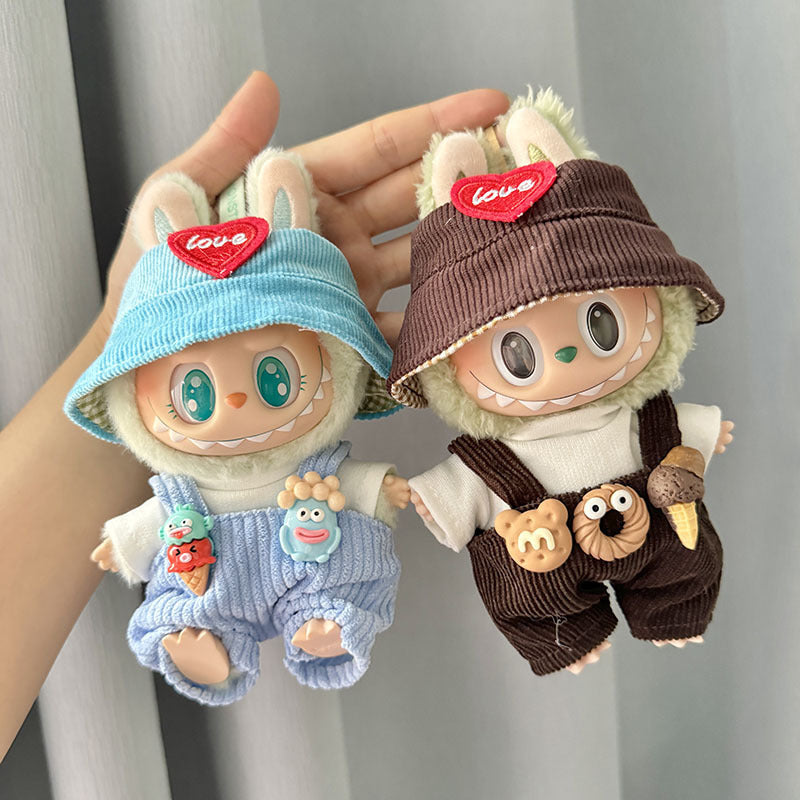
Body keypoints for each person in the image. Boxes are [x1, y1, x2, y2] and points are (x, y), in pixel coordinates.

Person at [0, 70, 508, 757]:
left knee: (335, 579)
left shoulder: (316, 468)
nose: (236, 403)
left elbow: (354, 483)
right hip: (213, 574)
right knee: (188, 603)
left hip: (310, 558)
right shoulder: (181, 494)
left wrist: (379, 487)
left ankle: (323, 627)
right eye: (195, 394)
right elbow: (151, 522)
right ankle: (204, 643)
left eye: (273, 377)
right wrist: (122, 542)